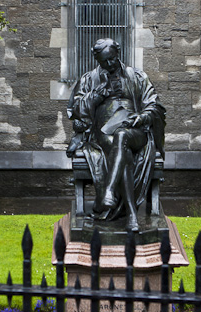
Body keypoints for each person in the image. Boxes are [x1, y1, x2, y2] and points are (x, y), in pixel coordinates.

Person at [67, 38, 165, 231]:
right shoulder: (89, 79)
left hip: (135, 130)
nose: (110, 64)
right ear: (98, 60)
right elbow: (76, 108)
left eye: (112, 59)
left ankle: (109, 192)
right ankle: (132, 217)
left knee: (122, 136)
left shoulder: (137, 76)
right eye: (105, 61)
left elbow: (154, 104)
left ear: (117, 54)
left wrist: (143, 117)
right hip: (105, 132)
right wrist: (97, 96)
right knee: (121, 143)